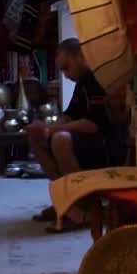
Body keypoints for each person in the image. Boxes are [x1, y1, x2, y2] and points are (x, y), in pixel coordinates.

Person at [28, 38, 125, 232]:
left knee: (60, 140)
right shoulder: (82, 82)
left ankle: (79, 209)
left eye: (66, 68)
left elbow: (94, 125)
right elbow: (70, 115)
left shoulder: (98, 78)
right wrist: (46, 126)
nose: (65, 74)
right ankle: (67, 204)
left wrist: (53, 130)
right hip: (89, 141)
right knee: (35, 136)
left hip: (109, 145)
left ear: (81, 57)